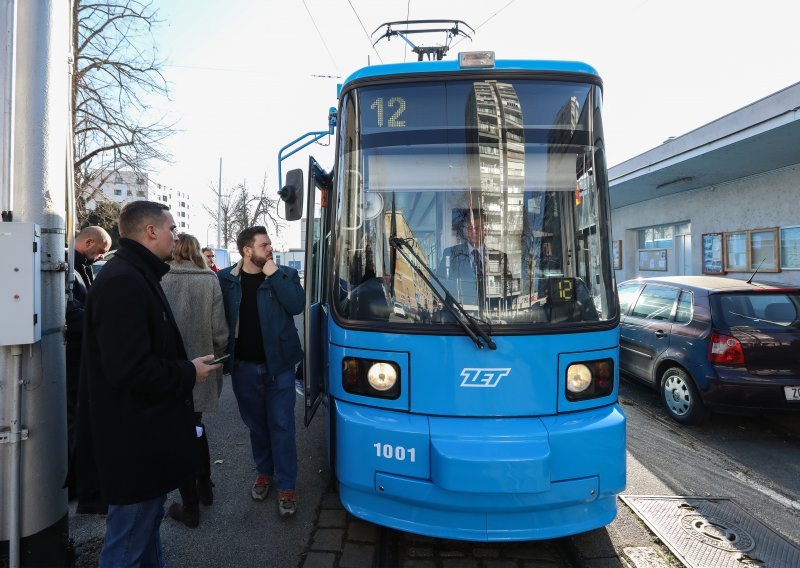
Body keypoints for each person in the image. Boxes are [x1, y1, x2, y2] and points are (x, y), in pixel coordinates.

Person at [77, 200, 221, 566]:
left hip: (141, 441)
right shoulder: (125, 281)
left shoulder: (136, 274)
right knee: (127, 544)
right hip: (133, 446)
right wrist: (188, 372)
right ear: (151, 231)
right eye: (172, 228)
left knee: (143, 532)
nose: (176, 235)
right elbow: (129, 370)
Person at [217, 226, 304, 517]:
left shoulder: (285, 275)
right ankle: (265, 472)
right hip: (243, 367)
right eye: (264, 245)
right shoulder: (226, 279)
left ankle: (287, 486)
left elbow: (296, 304)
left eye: (269, 244)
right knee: (257, 426)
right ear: (247, 250)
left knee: (282, 426)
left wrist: (274, 274)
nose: (270, 248)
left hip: (279, 366)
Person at [161, 233, 229, 528]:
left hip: (171, 371)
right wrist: (218, 357)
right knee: (196, 427)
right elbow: (220, 332)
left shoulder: (160, 279)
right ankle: (205, 488)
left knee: (179, 434)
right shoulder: (208, 279)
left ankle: (190, 507)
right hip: (202, 369)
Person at [65, 225, 111, 512]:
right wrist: (101, 317)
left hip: (78, 356)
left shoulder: (78, 267)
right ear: (89, 242)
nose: (101, 256)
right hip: (72, 358)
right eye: (101, 251)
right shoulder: (69, 268)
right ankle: (78, 484)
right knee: (75, 420)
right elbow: (69, 312)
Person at [436, 208, 510, 309]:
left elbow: (507, 291)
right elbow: (440, 286)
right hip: (458, 317)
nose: (474, 232)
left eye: (478, 228)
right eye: (470, 228)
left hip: (492, 317)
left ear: (486, 231)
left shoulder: (500, 257)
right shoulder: (450, 254)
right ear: (465, 231)